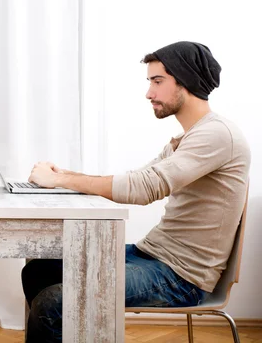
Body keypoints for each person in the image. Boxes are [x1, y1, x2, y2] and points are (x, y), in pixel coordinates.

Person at [23, 41, 250, 342]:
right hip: (152, 255)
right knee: (39, 270)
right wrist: (62, 175)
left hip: (180, 278)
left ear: (187, 81)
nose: (149, 93)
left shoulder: (218, 135)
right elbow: (141, 177)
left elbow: (144, 188)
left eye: (157, 82)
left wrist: (60, 181)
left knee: (54, 304)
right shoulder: (187, 138)